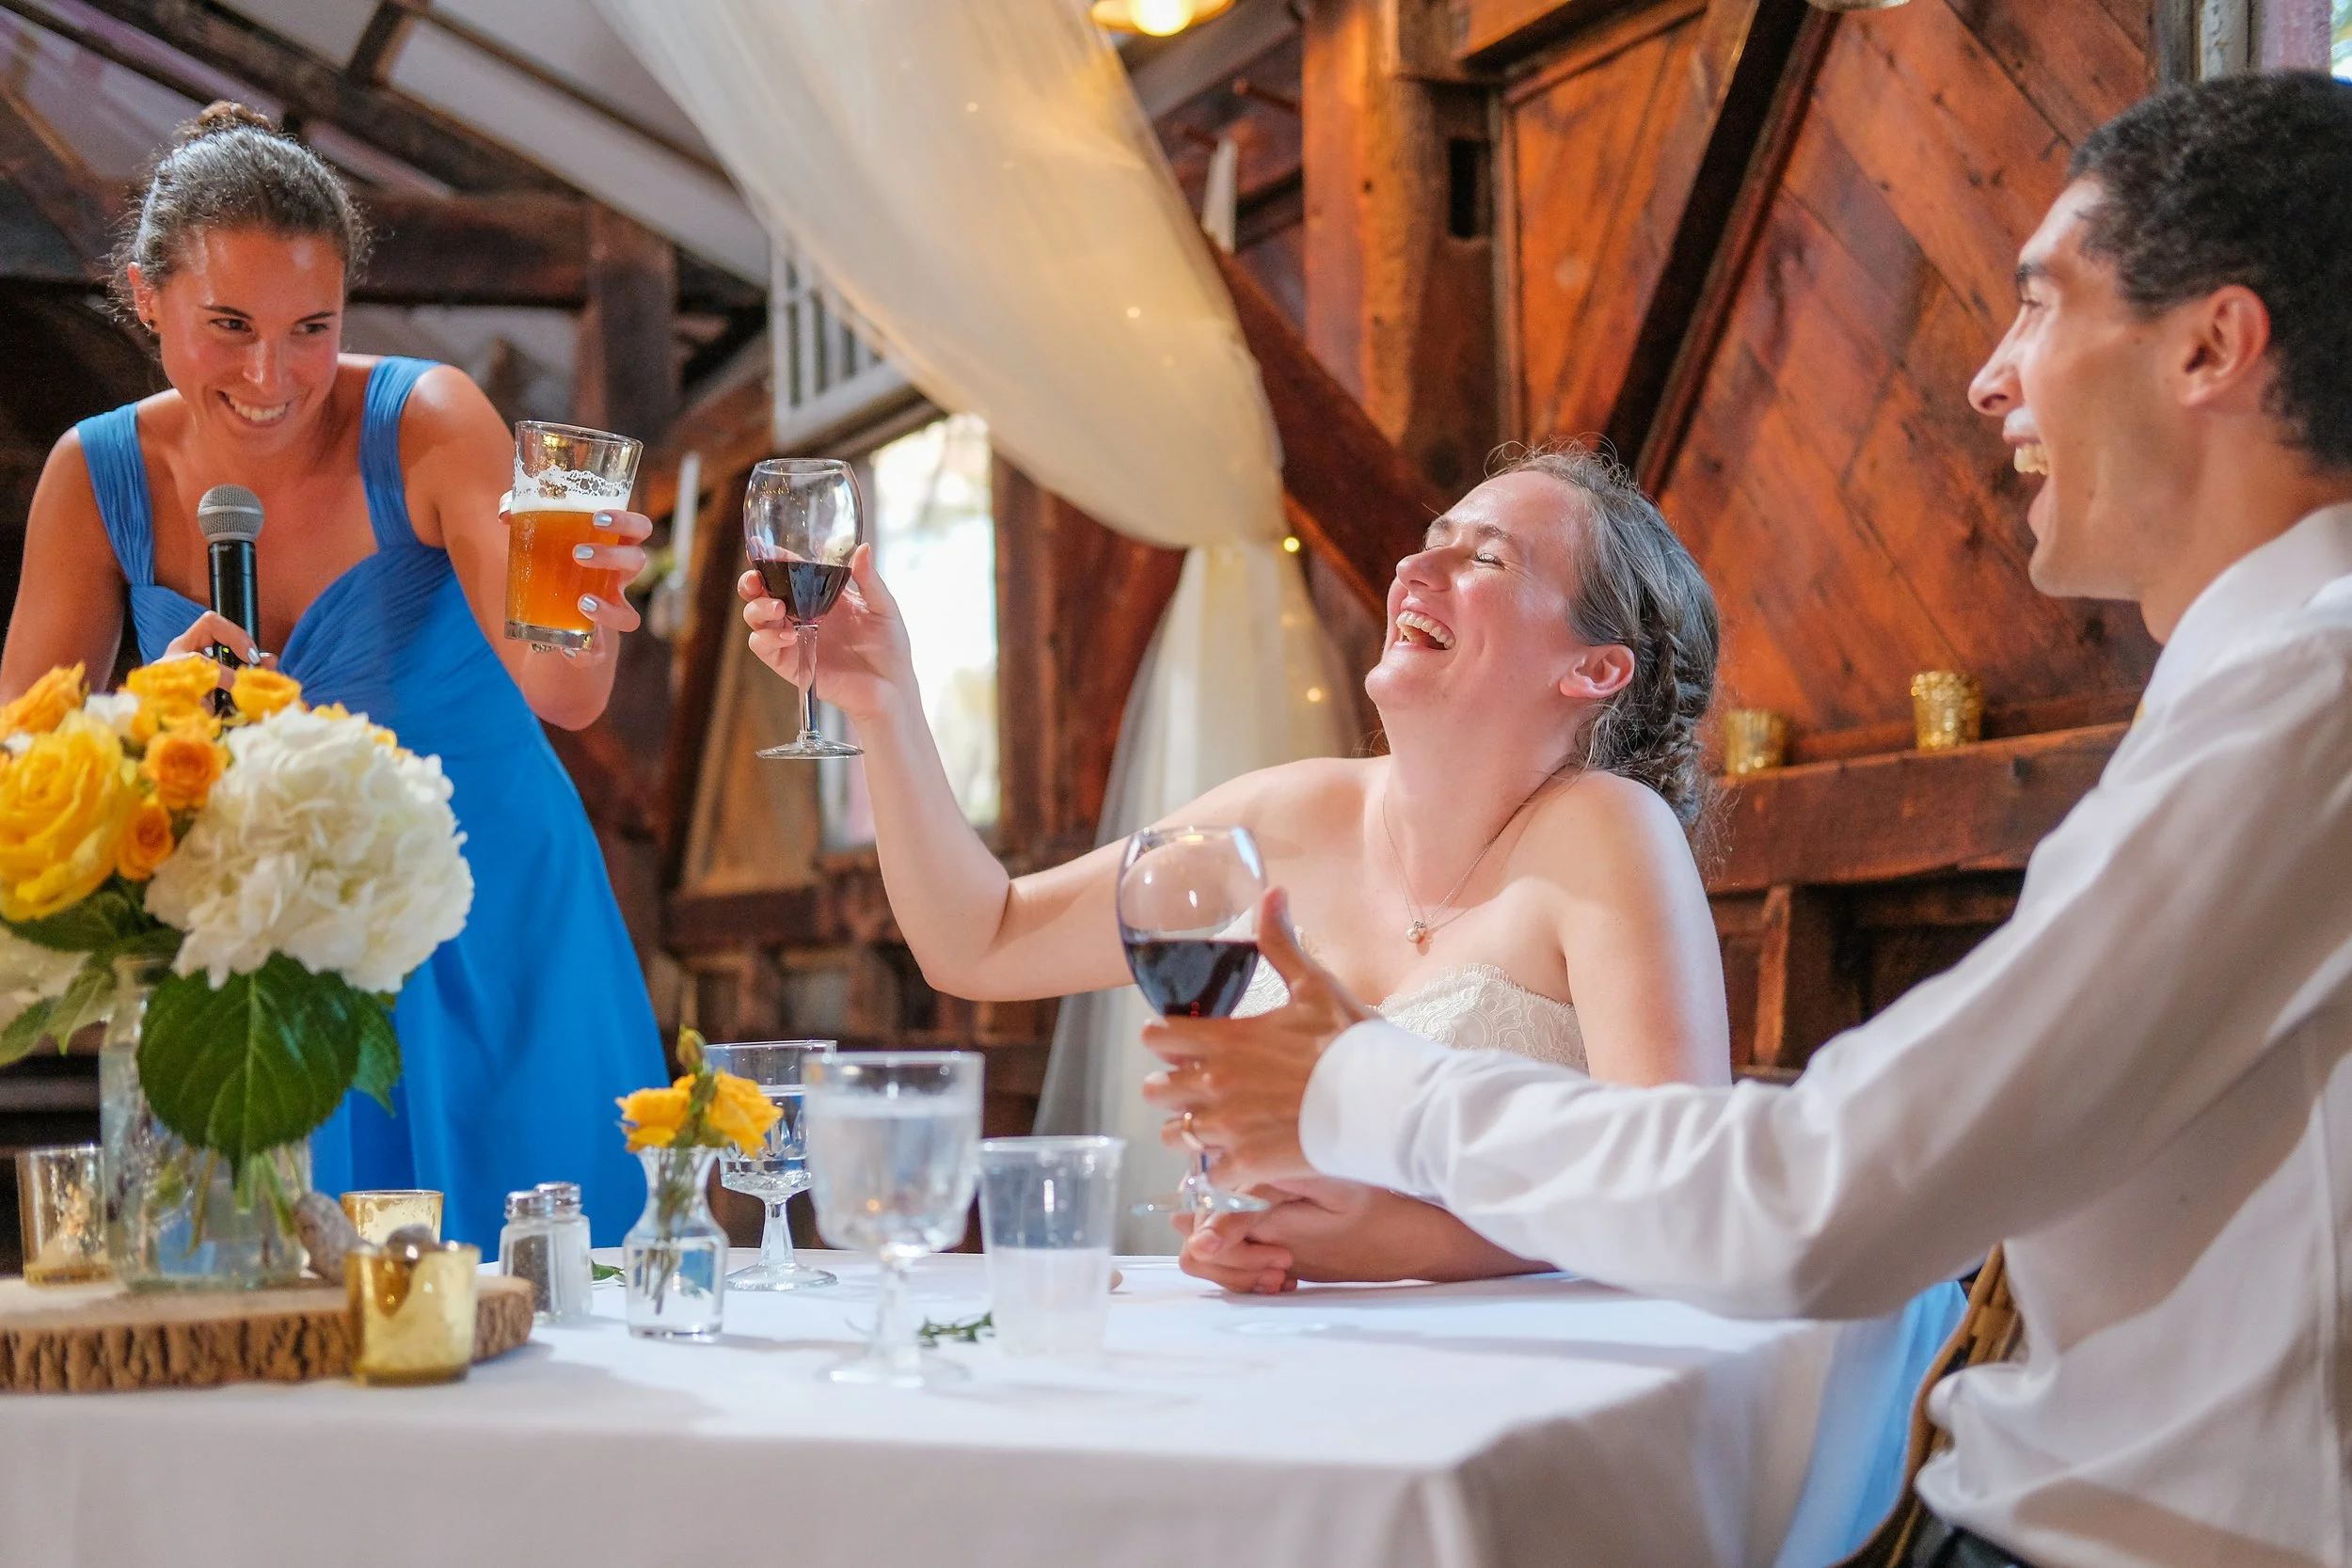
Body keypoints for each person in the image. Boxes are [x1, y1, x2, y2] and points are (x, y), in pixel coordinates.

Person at [1144, 72, 2352, 1568]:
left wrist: (1361, 1083)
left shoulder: (2314, 696)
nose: (1990, 378)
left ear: (2212, 346)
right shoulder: (2263, 683)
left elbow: (1826, 1199)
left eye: (2039, 306)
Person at [741, 444, 1734, 1283]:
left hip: (1523, 1390)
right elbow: (983, 941)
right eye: (1429, 541)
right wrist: (884, 702)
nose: (1413, 572)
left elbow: (1679, 1185)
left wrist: (1386, 1240)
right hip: (1281, 1354)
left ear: (1595, 667)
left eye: (1485, 559)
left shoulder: (1607, 831)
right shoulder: (1283, 813)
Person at [0, 103, 665, 1246]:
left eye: (312, 326)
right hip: (258, 970)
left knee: (552, 1323)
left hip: (490, 923)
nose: (273, 373)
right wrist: (143, 715)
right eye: (228, 323)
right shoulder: (95, 472)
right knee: (262, 1334)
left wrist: (586, 602)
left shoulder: (429, 420)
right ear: (143, 294)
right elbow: (22, 767)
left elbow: (567, 695)